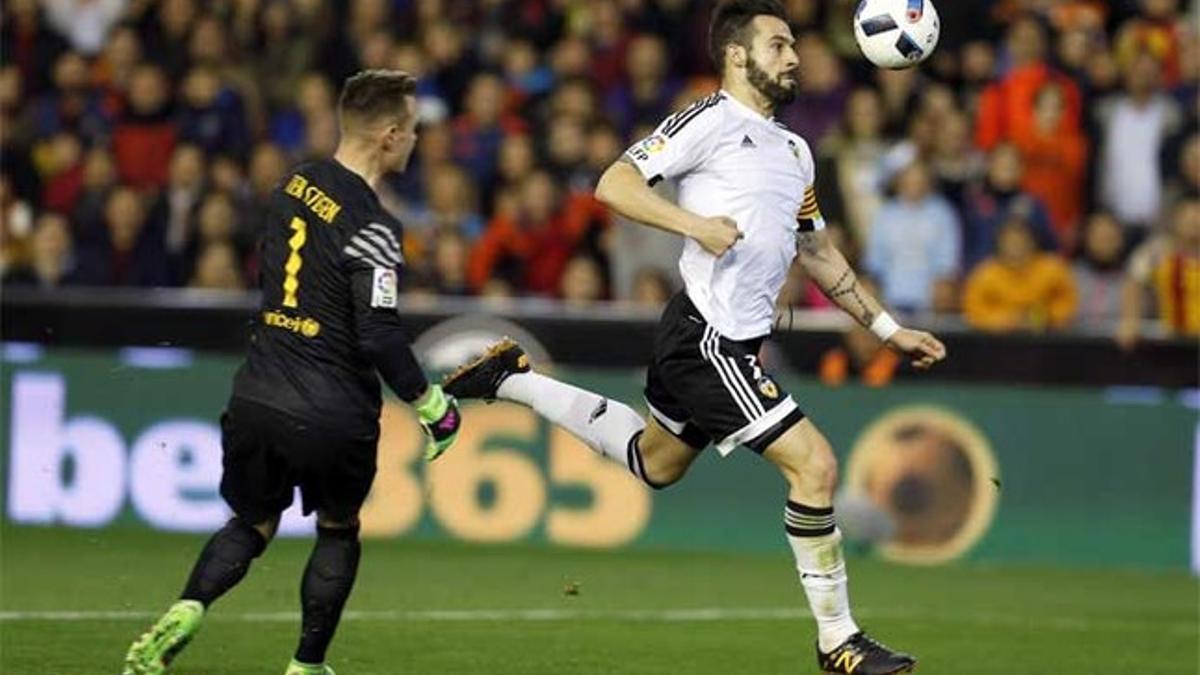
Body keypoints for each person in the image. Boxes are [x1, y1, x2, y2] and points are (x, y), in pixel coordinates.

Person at [443, 3, 943, 673]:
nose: (793, 56)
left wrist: (887, 328)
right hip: (708, 337)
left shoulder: (794, 151)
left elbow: (818, 252)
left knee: (657, 463)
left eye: (794, 44)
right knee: (815, 465)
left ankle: (511, 379)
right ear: (738, 56)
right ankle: (839, 640)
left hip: (716, 338)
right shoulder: (708, 120)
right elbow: (613, 182)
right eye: (778, 44)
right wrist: (691, 224)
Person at [121, 70, 462, 675]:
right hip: (334, 410)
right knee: (337, 529)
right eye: (412, 131)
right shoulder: (377, 229)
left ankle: (190, 604)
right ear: (388, 136)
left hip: (258, 391)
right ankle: (306, 666)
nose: (415, 142)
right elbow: (379, 335)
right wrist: (432, 404)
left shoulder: (290, 186)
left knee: (250, 522)